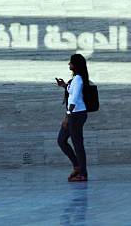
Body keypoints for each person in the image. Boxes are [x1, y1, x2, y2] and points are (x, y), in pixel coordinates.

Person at [55, 54, 89, 182]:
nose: (68, 64)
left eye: (70, 63)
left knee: (77, 144)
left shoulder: (79, 79)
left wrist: (68, 116)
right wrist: (64, 85)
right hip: (75, 114)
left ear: (75, 65)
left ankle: (83, 173)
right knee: (61, 140)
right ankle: (77, 166)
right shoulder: (76, 79)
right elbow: (71, 91)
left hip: (76, 114)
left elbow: (73, 99)